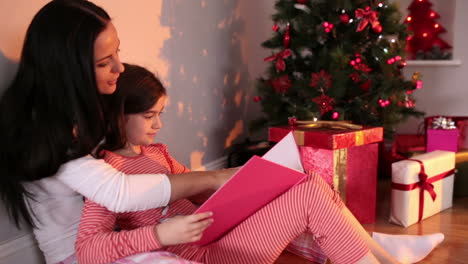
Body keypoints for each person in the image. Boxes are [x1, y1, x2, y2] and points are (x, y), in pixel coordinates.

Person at [75, 64, 444, 264]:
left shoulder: (156, 153)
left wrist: (248, 185)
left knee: (310, 183)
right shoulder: (108, 174)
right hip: (203, 255)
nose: (159, 124)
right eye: (150, 116)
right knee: (308, 198)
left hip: (219, 231)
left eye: (161, 114)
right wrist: (161, 235)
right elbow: (87, 250)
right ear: (119, 116)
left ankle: (381, 253)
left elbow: (198, 184)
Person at [0, 1, 232, 264]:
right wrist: (214, 177)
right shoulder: (44, 129)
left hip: (122, 236)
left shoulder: (86, 106)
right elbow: (119, 193)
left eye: (116, 52)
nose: (119, 67)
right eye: (103, 62)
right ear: (69, 70)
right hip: (80, 254)